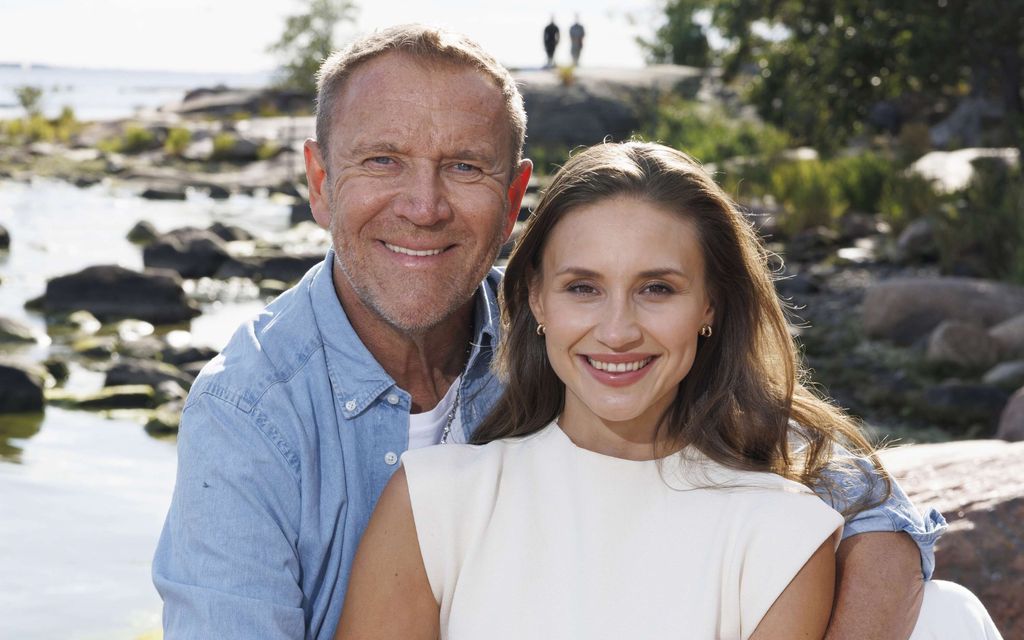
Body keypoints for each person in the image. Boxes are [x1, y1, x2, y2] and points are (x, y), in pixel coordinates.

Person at [152, 23, 958, 640]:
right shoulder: (247, 414)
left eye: (464, 166)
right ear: (320, 183)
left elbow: (862, 497)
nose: (424, 207)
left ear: (513, 200)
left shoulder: (563, 329)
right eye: (382, 161)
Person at [336, 142, 1003, 640]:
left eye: (657, 288)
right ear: (536, 298)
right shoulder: (432, 500)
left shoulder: (783, 531)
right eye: (582, 287)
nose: (617, 330)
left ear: (710, 305)